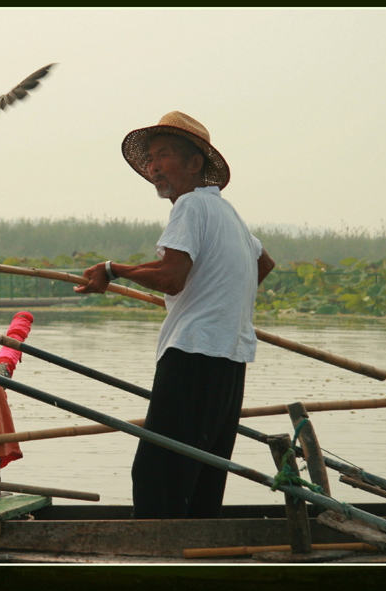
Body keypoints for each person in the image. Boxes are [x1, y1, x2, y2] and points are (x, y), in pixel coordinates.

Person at [74, 111, 275, 519]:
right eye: (150, 159)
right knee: (203, 471)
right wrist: (218, 295)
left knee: (157, 473)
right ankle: (195, 554)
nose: (153, 167)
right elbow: (264, 264)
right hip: (229, 361)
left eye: (163, 155)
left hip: (192, 356)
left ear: (194, 164)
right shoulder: (228, 213)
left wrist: (112, 271)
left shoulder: (190, 207)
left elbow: (171, 277)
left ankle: (157, 560)